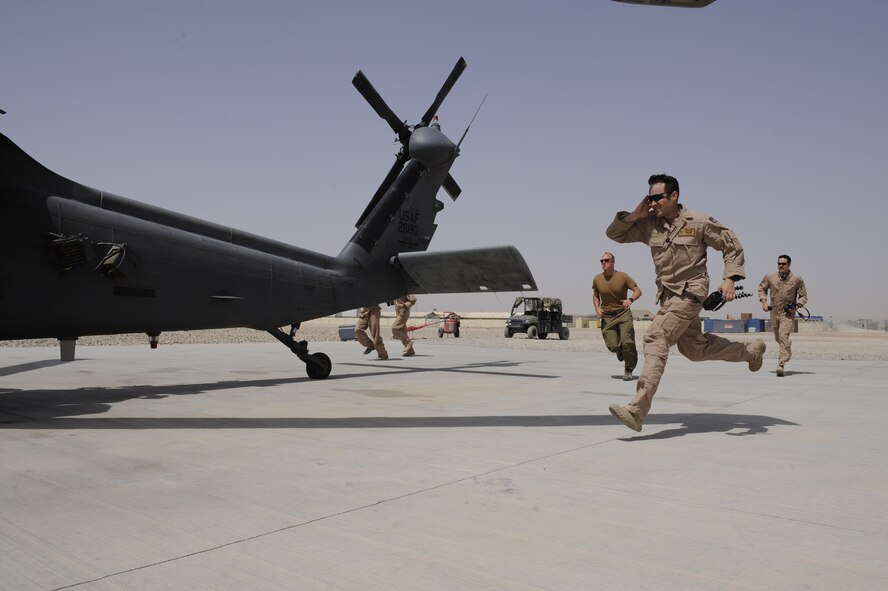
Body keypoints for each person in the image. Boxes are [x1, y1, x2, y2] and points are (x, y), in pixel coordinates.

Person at [604, 173, 766, 432]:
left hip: (690, 293)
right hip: (668, 297)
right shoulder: (649, 225)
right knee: (695, 350)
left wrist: (730, 279)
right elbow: (614, 234)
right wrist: (635, 215)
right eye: (649, 197)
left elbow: (731, 244)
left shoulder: (698, 222)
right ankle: (749, 352)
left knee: (655, 337)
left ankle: (637, 410)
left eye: (657, 197)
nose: (652, 202)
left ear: (674, 196)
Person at [593, 252, 642, 381]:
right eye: (602, 261)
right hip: (608, 316)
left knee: (628, 342)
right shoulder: (597, 279)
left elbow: (638, 291)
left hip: (623, 313)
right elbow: (596, 295)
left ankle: (628, 369)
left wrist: (630, 300)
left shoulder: (623, 276)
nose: (603, 263)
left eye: (606, 260)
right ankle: (620, 351)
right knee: (613, 346)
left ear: (613, 262)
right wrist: (597, 308)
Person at [758, 254, 808, 377]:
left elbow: (804, 296)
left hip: (788, 313)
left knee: (783, 336)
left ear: (789, 264)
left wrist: (797, 306)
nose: (781, 265)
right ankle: (787, 349)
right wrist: (764, 302)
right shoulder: (771, 277)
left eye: (783, 263)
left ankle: (781, 363)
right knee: (778, 338)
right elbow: (761, 288)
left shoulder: (797, 279)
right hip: (774, 311)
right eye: (779, 263)